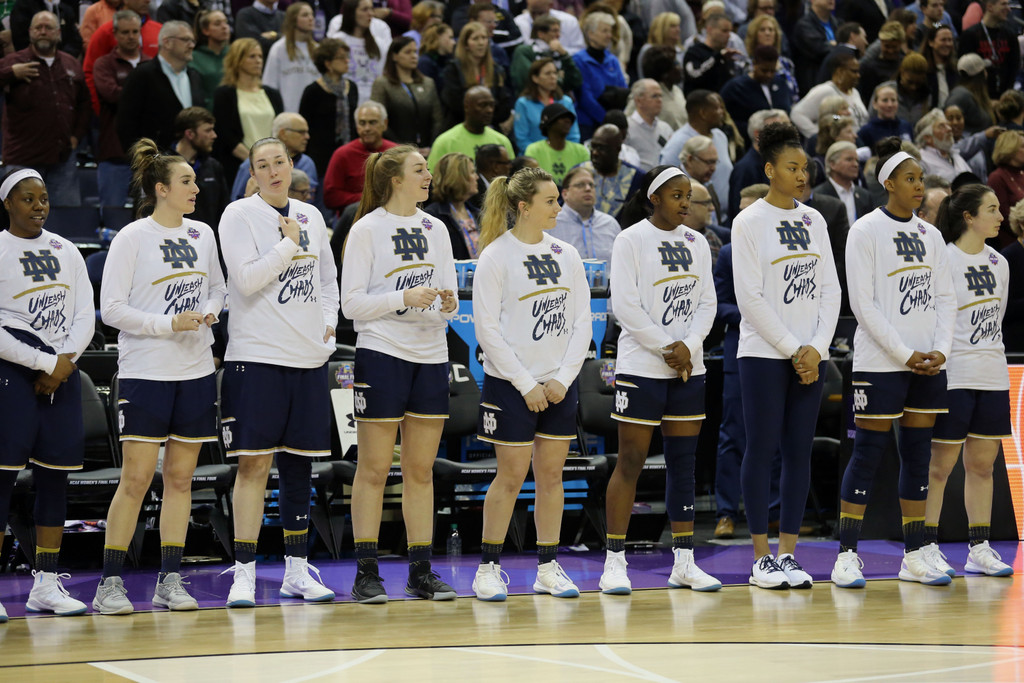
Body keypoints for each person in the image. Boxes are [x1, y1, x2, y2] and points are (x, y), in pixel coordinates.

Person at [92, 139, 226, 615]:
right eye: (186, 181)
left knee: (181, 479)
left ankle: (170, 579)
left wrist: (209, 311)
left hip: (193, 371)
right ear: (161, 188)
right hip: (147, 372)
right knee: (135, 478)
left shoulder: (203, 234)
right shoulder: (132, 237)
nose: (195, 187)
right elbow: (110, 310)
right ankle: (109, 583)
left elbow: (216, 288)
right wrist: (166, 323)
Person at [218, 136, 340, 608]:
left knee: (298, 469)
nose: (273, 171)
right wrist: (288, 245)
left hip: (307, 359)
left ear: (292, 166)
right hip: (258, 357)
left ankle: (296, 570)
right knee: (253, 467)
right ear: (253, 173)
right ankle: (244, 573)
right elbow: (245, 280)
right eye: (263, 165)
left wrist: (328, 323)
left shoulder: (311, 215)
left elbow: (328, 279)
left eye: (280, 162)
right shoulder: (238, 214)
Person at [832, 136, 957, 589]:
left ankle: (914, 555)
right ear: (888, 183)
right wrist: (906, 354)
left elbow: (946, 297)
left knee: (918, 457)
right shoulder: (865, 230)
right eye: (910, 179)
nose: (919, 186)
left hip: (928, 361)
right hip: (881, 362)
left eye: (921, 178)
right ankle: (846, 555)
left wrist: (941, 350)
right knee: (866, 454)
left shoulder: (932, 235)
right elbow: (863, 306)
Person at [340, 145, 459, 603]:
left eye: (427, 169)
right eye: (419, 169)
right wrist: (401, 298)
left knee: (420, 470)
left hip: (430, 354)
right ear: (395, 180)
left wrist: (446, 303)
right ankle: (366, 572)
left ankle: (421, 571)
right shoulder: (367, 229)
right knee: (372, 469)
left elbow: (446, 290)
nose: (428, 175)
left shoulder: (437, 228)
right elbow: (351, 305)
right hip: (383, 352)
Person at [598, 165, 720, 595]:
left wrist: (689, 345)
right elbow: (624, 306)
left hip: (690, 366)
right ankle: (615, 561)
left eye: (689, 195)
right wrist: (668, 346)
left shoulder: (698, 243)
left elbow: (708, 301)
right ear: (654, 197)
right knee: (630, 461)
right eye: (676, 194)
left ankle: (684, 561)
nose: (686, 202)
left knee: (683, 465)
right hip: (642, 366)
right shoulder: (630, 238)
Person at [470, 166, 591, 602]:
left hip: (559, 385)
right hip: (510, 386)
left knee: (551, 476)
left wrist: (561, 379)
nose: (558, 207)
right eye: (551, 201)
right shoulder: (495, 256)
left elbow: (583, 322)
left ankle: (548, 566)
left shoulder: (567, 254)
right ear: (524, 207)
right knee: (511, 476)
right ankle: (487, 567)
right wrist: (526, 384)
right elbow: (487, 331)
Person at [731, 121, 841, 589]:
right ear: (770, 169)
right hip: (762, 353)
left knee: (799, 451)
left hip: (809, 354)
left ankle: (790, 554)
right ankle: (761, 557)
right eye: (792, 168)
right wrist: (794, 348)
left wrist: (816, 348)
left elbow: (831, 289)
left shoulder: (814, 220)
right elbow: (749, 297)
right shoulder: (748, 221)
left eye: (806, 167)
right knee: (761, 449)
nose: (802, 175)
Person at [0, 169, 94, 619]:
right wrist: (44, 364)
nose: (39, 206)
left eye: (43, 198)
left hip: (64, 369)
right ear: (7, 204)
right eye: (27, 199)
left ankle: (46, 584)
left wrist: (65, 363)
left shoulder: (67, 249)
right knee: (1, 480)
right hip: (14, 372)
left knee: (54, 478)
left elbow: (85, 315)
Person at [922, 184, 1013, 579]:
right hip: (953, 373)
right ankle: (925, 545)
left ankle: (980, 547)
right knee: (940, 467)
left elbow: (999, 317)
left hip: (992, 372)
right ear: (969, 217)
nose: (1001, 216)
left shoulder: (1000, 262)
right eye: (992, 209)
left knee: (982, 465)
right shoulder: (942, 258)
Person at [0, 11, 90, 207]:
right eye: (38, 28)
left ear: (58, 33)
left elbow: (84, 104)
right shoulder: (14, 62)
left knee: (67, 220)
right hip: (23, 159)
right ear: (30, 32)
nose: (43, 32)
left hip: (62, 158)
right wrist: (10, 73)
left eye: (48, 28)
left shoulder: (71, 63)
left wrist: (77, 135)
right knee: (19, 222)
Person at [117, 20, 205, 154]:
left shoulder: (195, 77)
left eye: (193, 41)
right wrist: (141, 161)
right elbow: (126, 123)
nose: (192, 45)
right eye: (186, 40)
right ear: (167, 42)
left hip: (192, 162)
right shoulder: (142, 75)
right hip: (154, 164)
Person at [93, 9, 148, 209]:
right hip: (114, 154)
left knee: (149, 214)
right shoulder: (104, 64)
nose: (131, 37)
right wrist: (145, 98)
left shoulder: (150, 63)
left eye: (135, 31)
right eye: (125, 32)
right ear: (115, 34)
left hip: (148, 157)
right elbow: (111, 94)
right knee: (111, 214)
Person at [211, 38, 284, 184]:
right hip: (238, 167)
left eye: (260, 56)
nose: (258, 61)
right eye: (252, 56)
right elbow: (226, 136)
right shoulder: (225, 94)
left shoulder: (272, 94)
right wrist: (256, 163)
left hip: (272, 168)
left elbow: (280, 130)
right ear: (237, 60)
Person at [659, 91, 734, 223]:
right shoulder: (678, 143)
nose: (722, 112)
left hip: (723, 218)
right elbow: (664, 183)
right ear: (703, 113)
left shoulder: (720, 136)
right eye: (717, 108)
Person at [300, 39, 359, 182]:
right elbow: (305, 126)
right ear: (328, 63)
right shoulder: (312, 91)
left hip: (347, 153)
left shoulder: (352, 87)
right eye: (341, 57)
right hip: (320, 157)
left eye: (347, 57)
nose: (346, 61)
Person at [370, 36, 444, 150]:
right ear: (394, 56)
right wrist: (399, 148)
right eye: (408, 52)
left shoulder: (428, 83)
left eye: (415, 52)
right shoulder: (382, 83)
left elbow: (437, 119)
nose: (414, 56)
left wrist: (432, 146)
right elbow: (379, 120)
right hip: (393, 150)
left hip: (426, 149)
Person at [439, 21, 514, 132]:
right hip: (461, 128)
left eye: (484, 38)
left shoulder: (496, 70)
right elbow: (454, 104)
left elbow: (504, 106)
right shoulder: (453, 70)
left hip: (491, 128)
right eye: (475, 39)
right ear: (465, 44)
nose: (481, 43)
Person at [324, 101, 398, 214]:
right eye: (362, 123)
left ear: (385, 124)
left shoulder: (397, 153)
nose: (367, 128)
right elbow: (330, 197)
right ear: (356, 126)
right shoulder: (342, 154)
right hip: (354, 218)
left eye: (373, 122)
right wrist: (368, 199)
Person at [230, 113, 318, 202]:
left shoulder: (307, 163)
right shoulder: (253, 163)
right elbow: (236, 199)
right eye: (301, 132)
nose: (307, 137)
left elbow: (315, 201)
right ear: (283, 133)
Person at [720, 45, 794, 148]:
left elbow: (788, 110)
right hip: (749, 145)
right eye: (764, 70)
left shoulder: (781, 84)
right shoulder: (735, 88)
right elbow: (725, 118)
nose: (769, 75)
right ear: (754, 64)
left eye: (772, 71)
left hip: (781, 144)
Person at [427, 87, 515, 173]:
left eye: (492, 105)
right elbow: (432, 178)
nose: (489, 110)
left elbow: (513, 177)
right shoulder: (445, 142)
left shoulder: (502, 141)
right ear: (466, 106)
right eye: (482, 105)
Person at [571, 11, 626, 140]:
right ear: (590, 34)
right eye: (604, 31)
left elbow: (623, 90)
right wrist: (606, 120)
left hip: (613, 121)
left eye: (610, 31)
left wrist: (615, 119)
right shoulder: (578, 60)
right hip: (588, 124)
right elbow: (585, 97)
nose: (609, 36)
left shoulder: (612, 60)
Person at [173, 107, 228, 231]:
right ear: (190, 134)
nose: (214, 135)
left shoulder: (214, 167)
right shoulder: (163, 167)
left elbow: (223, 211)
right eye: (208, 130)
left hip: (208, 242)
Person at [790, 52, 869, 139]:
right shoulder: (825, 90)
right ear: (840, 71)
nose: (858, 75)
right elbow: (797, 114)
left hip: (857, 143)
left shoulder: (854, 92)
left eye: (858, 71)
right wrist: (818, 136)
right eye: (854, 71)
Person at [327, 0, 392, 104]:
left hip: (373, 102)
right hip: (344, 101)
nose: (370, 13)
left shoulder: (379, 44)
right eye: (365, 9)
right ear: (352, 12)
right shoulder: (338, 40)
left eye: (371, 8)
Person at [549, 166, 619, 261]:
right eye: (580, 185)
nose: (588, 189)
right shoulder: (550, 224)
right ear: (565, 194)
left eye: (591, 185)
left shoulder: (610, 223)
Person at [576, 123, 643, 219]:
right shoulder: (578, 172)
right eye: (593, 147)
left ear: (618, 149)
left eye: (601, 148)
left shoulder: (636, 178)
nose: (594, 153)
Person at [424, 152, 482, 259]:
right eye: (473, 172)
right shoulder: (431, 216)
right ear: (459, 177)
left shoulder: (478, 213)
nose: (477, 177)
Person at [263, 2, 319, 113]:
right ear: (293, 20)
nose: (311, 18)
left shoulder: (318, 49)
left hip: (314, 114)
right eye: (305, 15)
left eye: (311, 14)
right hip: (287, 112)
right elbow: (269, 85)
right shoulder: (278, 49)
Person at [514, 57, 580, 151]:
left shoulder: (566, 102)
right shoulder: (523, 103)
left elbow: (574, 136)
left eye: (555, 73)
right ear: (535, 78)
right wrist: (539, 155)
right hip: (534, 158)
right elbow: (521, 139)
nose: (553, 77)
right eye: (548, 73)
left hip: (563, 155)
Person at [958, 0, 1020, 99]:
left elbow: (1014, 67)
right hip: (978, 98)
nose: (1008, 9)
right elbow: (965, 71)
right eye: (1003, 4)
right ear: (990, 7)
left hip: (1004, 98)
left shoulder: (1010, 35)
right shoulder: (970, 35)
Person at [510, 14, 582, 94]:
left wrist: (564, 55)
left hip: (558, 101)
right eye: (554, 31)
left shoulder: (559, 54)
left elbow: (576, 81)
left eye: (559, 31)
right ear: (541, 34)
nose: (559, 35)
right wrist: (559, 78)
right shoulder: (525, 51)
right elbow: (528, 80)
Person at [524, 103, 589, 186]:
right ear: (548, 122)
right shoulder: (533, 150)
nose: (568, 120)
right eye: (562, 117)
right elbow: (532, 183)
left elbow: (586, 181)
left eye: (570, 119)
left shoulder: (581, 150)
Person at [815, 141, 874, 228]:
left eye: (857, 160)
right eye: (849, 159)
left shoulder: (865, 196)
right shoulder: (818, 195)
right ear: (832, 164)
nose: (856, 164)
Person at [744, 13, 798, 101]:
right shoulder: (746, 64)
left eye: (771, 30)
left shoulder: (787, 63)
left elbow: (794, 93)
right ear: (754, 35)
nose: (767, 33)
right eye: (762, 30)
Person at [682, 11, 739, 96]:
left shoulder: (725, 56)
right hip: (700, 104)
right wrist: (717, 57)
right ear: (709, 30)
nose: (729, 36)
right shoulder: (694, 52)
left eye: (730, 31)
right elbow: (695, 75)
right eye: (724, 31)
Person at [626, 79, 673, 172]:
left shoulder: (666, 128)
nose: (659, 100)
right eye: (655, 96)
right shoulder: (627, 128)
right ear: (639, 101)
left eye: (661, 96)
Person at [986, 130, 1024, 248]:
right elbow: (1004, 217)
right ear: (1010, 149)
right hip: (1011, 243)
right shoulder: (997, 178)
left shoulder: (1022, 174)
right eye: (1022, 146)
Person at [791, 0, 838, 95]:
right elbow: (819, 49)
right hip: (813, 83)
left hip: (834, 80)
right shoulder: (804, 25)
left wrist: (835, 45)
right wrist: (838, 46)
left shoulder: (837, 23)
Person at [944, 54, 996, 137]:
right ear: (981, 74)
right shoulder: (960, 95)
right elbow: (949, 122)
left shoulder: (972, 95)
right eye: (984, 70)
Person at [916, 108, 971, 183]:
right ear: (928, 137)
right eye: (942, 126)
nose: (949, 129)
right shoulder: (921, 160)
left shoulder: (956, 156)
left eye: (948, 125)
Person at [190, 10, 231, 109]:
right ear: (205, 30)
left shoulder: (234, 53)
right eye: (217, 24)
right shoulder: (194, 58)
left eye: (226, 22)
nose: (224, 27)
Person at [857, 21, 906, 104]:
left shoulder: (906, 64)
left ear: (901, 44)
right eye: (887, 46)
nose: (890, 51)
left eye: (894, 47)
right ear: (881, 43)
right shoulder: (869, 68)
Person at [859, 84, 914, 153]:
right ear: (875, 104)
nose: (890, 105)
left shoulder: (906, 126)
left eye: (893, 100)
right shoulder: (866, 131)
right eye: (885, 100)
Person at [920, 24, 957, 109]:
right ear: (931, 42)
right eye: (943, 40)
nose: (947, 44)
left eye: (950, 40)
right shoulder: (923, 70)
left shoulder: (955, 70)